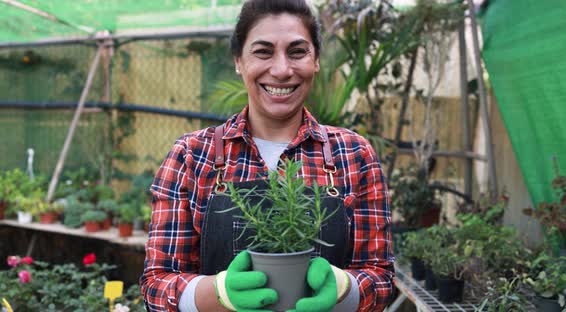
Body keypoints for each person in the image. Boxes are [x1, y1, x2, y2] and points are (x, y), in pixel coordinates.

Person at [140, 0, 395, 311]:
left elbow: (381, 280)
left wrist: (344, 289)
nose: (281, 70)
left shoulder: (354, 154)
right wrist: (219, 292)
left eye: (297, 51)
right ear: (238, 61)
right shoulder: (192, 156)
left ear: (315, 60)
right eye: (263, 52)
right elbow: (156, 284)